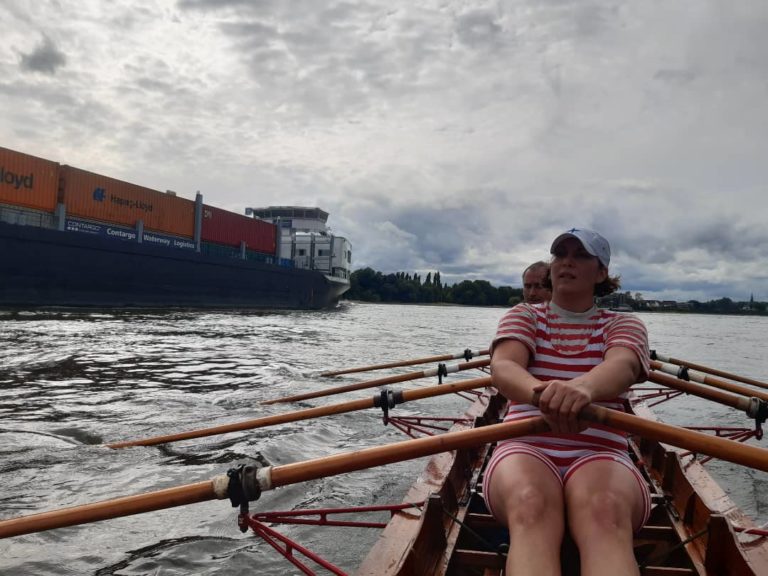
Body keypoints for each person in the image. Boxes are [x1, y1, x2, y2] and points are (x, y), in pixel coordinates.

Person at [483, 228, 650, 576]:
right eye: (560, 254)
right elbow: (504, 367)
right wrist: (541, 396)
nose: (567, 262)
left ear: (601, 272)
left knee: (604, 510)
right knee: (531, 503)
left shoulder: (624, 323)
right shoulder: (524, 315)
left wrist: (583, 390)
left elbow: (623, 364)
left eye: (581, 255)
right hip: (525, 447)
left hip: (601, 453)